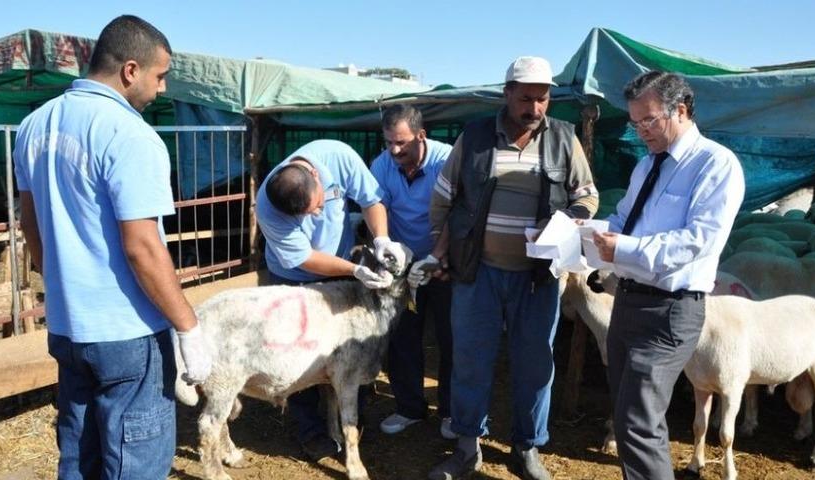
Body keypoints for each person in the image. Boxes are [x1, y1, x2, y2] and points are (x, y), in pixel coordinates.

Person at [13, 15, 211, 480]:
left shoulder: (33, 126)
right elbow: (142, 246)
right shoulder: (131, 134)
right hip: (128, 333)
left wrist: (62, 286)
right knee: (135, 461)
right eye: (160, 76)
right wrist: (188, 327)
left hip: (67, 327)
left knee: (80, 453)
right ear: (130, 70)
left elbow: (30, 224)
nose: (161, 89)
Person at [425, 56, 599, 480]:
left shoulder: (563, 138)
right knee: (470, 359)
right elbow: (445, 198)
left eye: (543, 99)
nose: (535, 108)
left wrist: (569, 219)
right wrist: (441, 251)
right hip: (477, 271)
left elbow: (588, 195)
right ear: (506, 93)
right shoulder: (476, 136)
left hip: (538, 277)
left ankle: (526, 448)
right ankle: (467, 447)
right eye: (526, 98)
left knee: (535, 363)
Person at [592, 71, 745, 480]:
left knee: (639, 422)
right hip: (628, 302)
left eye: (649, 121)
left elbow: (698, 240)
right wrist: (581, 231)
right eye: (635, 123)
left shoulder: (715, 164)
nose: (641, 131)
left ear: (680, 110)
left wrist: (621, 248)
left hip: (670, 310)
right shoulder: (646, 167)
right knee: (626, 418)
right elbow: (623, 218)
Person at [256, 138, 406, 461]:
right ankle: (311, 430)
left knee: (355, 344)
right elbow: (304, 258)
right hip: (295, 278)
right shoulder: (269, 206)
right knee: (301, 352)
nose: (320, 212)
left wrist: (380, 238)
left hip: (341, 270)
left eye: (320, 204)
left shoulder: (336, 156)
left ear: (315, 177)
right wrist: (355, 270)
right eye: (311, 214)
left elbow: (371, 200)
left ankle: (353, 414)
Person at [369, 105, 456, 439]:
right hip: (402, 267)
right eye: (389, 141)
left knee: (452, 337)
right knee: (403, 336)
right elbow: (376, 204)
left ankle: (451, 411)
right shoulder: (383, 164)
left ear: (421, 136)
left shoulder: (446, 161)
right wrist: (385, 244)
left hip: (444, 264)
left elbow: (457, 213)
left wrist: (436, 257)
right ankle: (409, 408)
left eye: (401, 143)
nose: (394, 150)